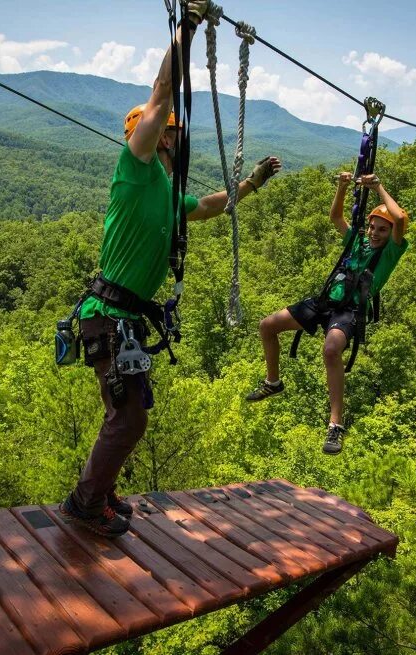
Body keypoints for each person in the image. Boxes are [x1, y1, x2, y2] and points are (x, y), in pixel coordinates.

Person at [61, 1, 282, 537]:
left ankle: (102, 491)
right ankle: (86, 502)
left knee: (128, 413)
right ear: (158, 135)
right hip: (108, 316)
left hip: (123, 320)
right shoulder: (135, 169)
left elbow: (207, 207)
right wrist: (185, 27)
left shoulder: (166, 187)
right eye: (171, 130)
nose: (178, 134)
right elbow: (161, 96)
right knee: (129, 417)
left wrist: (249, 185)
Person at [245, 172, 408, 455]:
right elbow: (336, 218)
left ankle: (335, 425)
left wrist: (378, 187)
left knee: (331, 350)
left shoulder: (392, 251)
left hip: (351, 310)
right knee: (267, 326)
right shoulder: (358, 242)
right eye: (373, 227)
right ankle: (273, 381)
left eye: (382, 229)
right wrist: (342, 187)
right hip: (326, 301)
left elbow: (401, 220)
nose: (375, 233)